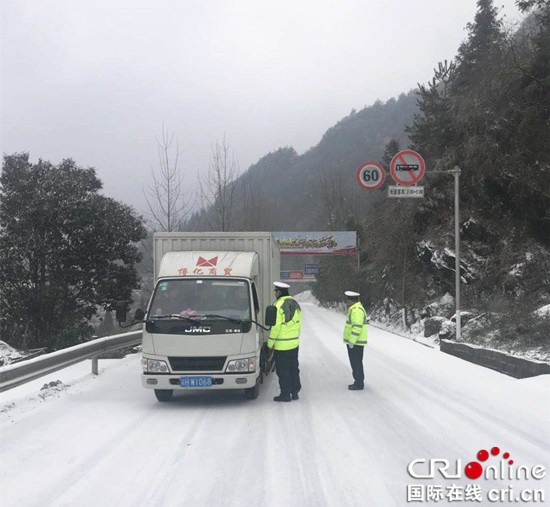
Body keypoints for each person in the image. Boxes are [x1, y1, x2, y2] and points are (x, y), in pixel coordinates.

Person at [268, 281, 302, 402]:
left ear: (279, 292)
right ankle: (295, 392)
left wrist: (270, 343)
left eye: (275, 291)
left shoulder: (278, 305)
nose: (275, 294)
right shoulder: (295, 304)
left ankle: (285, 395)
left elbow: (276, 327)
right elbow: (298, 325)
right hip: (294, 344)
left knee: (283, 371)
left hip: (282, 345)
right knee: (294, 368)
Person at [343, 290, 368, 390]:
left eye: (347, 300)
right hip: (356, 342)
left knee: (356, 362)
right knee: (356, 362)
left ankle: (359, 383)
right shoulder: (355, 309)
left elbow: (357, 327)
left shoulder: (356, 310)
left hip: (356, 342)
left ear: (351, 301)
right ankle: (358, 381)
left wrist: (352, 341)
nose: (346, 302)